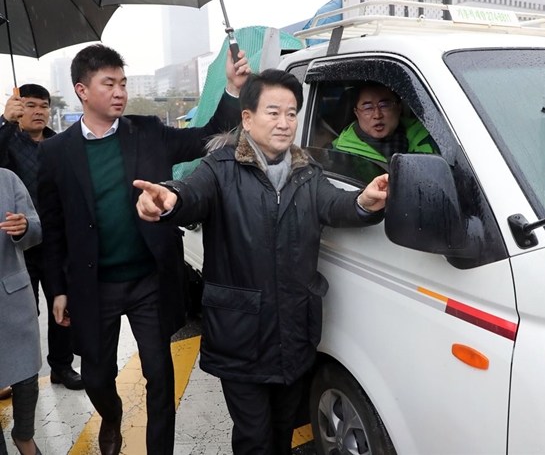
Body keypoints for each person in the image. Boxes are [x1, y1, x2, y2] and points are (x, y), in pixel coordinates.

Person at [134, 69, 388, 455]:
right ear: (247, 118)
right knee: (254, 437)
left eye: (291, 113)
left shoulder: (308, 173)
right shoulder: (219, 169)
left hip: (294, 331)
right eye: (273, 112)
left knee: (284, 428)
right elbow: (191, 195)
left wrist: (364, 202)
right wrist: (169, 198)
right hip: (241, 336)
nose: (284, 123)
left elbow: (338, 206)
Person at [37, 44, 250, 455]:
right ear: (82, 90)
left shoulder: (148, 132)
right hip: (93, 284)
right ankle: (111, 416)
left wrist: (233, 88)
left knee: (160, 376)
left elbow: (209, 136)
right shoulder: (55, 152)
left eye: (122, 83)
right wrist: (58, 290)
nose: (119, 92)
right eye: (109, 84)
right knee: (97, 377)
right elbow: (54, 228)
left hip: (150, 280)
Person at [0, 84, 83, 392]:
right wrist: (5, 122)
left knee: (62, 305)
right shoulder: (8, 142)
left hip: (54, 242)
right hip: (16, 244)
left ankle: (62, 366)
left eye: (44, 106)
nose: (38, 111)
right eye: (31, 105)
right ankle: (13, 373)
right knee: (20, 312)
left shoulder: (58, 143)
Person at [0, 168, 43, 455]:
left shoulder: (7, 179)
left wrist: (25, 227)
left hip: (10, 295)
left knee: (27, 376)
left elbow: (37, 230)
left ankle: (23, 435)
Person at [332, 81, 438, 162]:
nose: (377, 115)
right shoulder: (341, 153)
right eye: (368, 108)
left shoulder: (427, 138)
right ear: (356, 113)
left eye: (385, 105)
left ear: (399, 108)